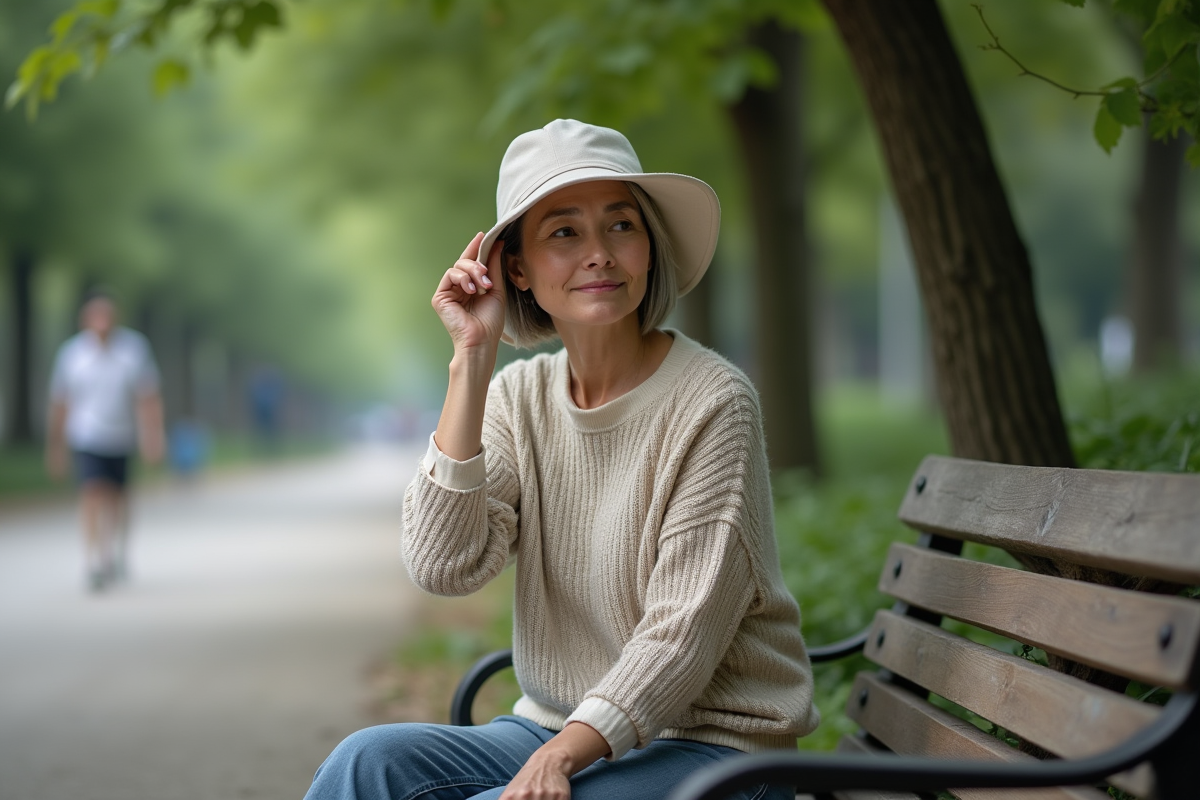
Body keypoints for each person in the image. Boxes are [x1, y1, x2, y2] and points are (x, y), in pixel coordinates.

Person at [306, 120, 819, 800]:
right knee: (366, 763)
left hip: (715, 753)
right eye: (564, 232)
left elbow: (681, 637)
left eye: (621, 226)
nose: (600, 254)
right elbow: (444, 565)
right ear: (516, 268)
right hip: (558, 729)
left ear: (648, 246)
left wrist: (562, 758)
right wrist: (472, 361)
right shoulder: (519, 397)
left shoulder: (714, 401)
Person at [46, 292, 165, 592]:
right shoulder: (72, 355)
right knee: (92, 493)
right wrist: (56, 446)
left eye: (106, 317)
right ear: (85, 321)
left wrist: (153, 436)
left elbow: (147, 396)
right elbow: (61, 402)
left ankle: (116, 552)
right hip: (86, 435)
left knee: (118, 498)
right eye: (95, 317)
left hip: (121, 436)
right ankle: (93, 560)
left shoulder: (134, 350)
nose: (101, 324)